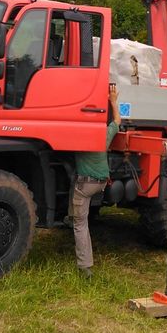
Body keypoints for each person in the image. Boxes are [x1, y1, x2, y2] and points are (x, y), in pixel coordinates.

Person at [71, 83, 121, 278]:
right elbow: (117, 120)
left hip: (85, 185)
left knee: (80, 224)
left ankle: (85, 267)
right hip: (100, 183)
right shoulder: (103, 134)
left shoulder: (76, 138)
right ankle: (70, 214)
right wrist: (113, 101)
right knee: (72, 182)